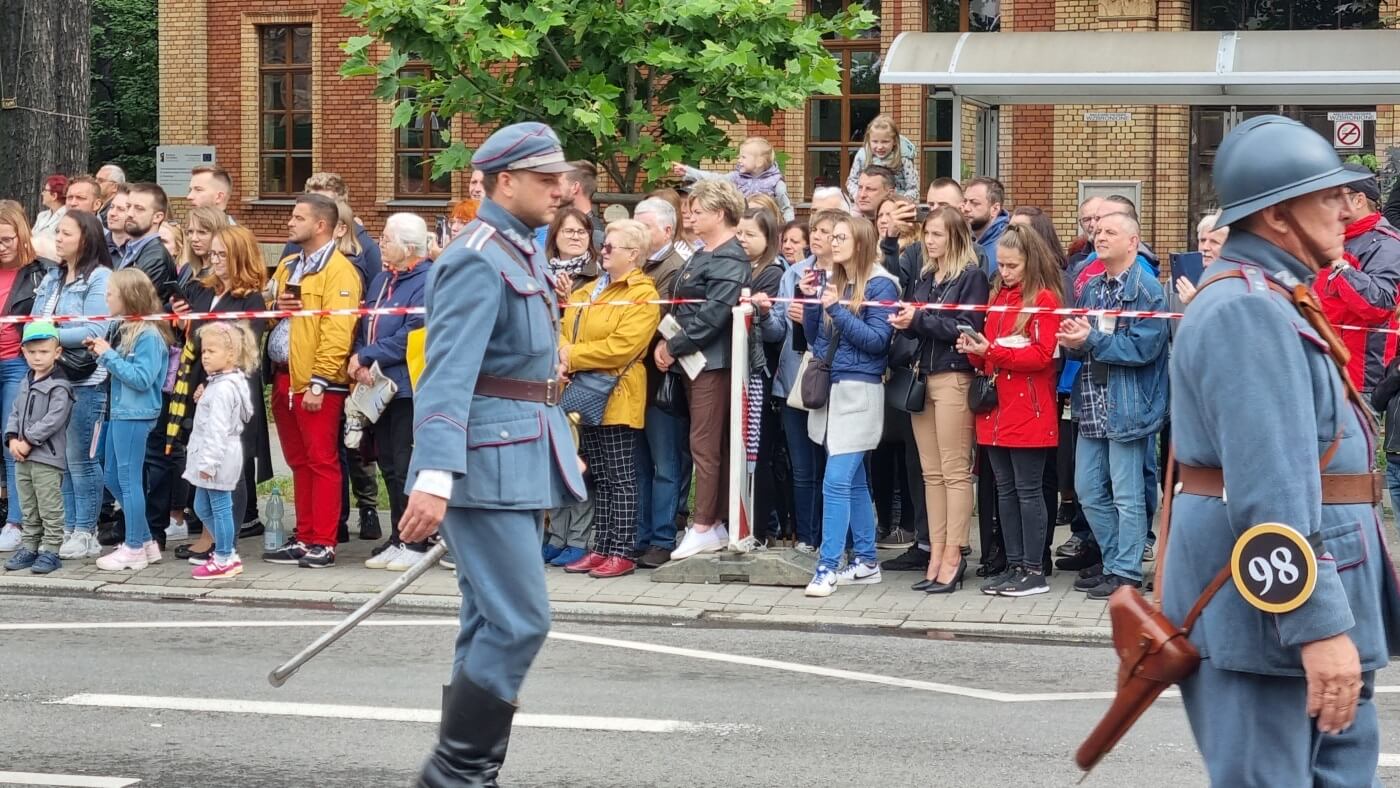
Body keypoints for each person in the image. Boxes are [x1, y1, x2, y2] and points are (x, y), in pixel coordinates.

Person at [1163, 114, 1400, 785]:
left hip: (1311, 597)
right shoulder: (1247, 308)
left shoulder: (1275, 297)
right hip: (1274, 615)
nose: (1344, 209)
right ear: (1276, 216)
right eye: (1327, 195)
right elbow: (1269, 489)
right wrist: (1318, 629)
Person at [394, 121, 584, 786]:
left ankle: (469, 778)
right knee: (520, 621)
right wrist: (435, 474)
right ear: (506, 181)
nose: (562, 189)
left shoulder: (518, 249)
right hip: (483, 461)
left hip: (518, 452)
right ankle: (451, 778)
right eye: (546, 178)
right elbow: (446, 373)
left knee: (485, 624)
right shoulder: (477, 254)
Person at [1056, 212, 1168, 599]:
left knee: (1127, 494)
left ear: (1133, 242)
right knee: (1087, 490)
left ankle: (1126, 572)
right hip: (1091, 403)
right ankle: (1115, 559)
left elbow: (1143, 349)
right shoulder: (1091, 289)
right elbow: (1087, 339)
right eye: (1097, 231)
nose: (1099, 237)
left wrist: (1089, 341)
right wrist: (1071, 339)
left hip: (1128, 407)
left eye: (1109, 232)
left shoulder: (1148, 290)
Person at [958, 225, 1063, 597]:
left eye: (1012, 265)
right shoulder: (998, 296)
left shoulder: (1045, 299)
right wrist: (973, 348)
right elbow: (991, 355)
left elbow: (1040, 356)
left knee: (1028, 490)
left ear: (1030, 262)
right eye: (1001, 264)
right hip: (996, 408)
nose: (1004, 271)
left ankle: (1034, 569)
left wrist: (991, 352)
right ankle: (1016, 564)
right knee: (1005, 490)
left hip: (1028, 408)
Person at [887, 206, 989, 589]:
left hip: (953, 377)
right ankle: (937, 549)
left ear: (956, 238)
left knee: (954, 470)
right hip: (922, 376)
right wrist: (906, 322)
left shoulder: (972, 276)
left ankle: (954, 552)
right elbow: (923, 325)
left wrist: (917, 320)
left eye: (937, 235)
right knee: (931, 473)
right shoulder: (927, 276)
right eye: (927, 234)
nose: (929, 241)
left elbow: (966, 327)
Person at [262, 194, 363, 569]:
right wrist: (274, 310)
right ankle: (304, 535)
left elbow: (338, 330)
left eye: (297, 217)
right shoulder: (289, 265)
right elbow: (268, 307)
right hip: (285, 376)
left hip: (316, 382)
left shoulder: (340, 272)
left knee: (322, 461)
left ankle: (324, 540)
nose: (289, 222)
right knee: (298, 462)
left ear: (321, 225)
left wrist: (321, 380)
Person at [800, 215, 898, 597]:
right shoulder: (837, 281)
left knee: (836, 481)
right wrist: (812, 303)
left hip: (860, 390)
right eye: (830, 236)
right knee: (853, 481)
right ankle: (867, 561)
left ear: (860, 242)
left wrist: (837, 308)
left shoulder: (881, 284)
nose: (831, 242)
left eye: (840, 237)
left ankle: (828, 565)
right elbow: (815, 339)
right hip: (833, 390)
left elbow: (878, 341)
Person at [556, 219, 661, 578]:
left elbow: (623, 347)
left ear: (633, 254)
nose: (602, 250)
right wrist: (563, 353)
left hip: (617, 393)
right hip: (585, 391)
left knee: (620, 476)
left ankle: (622, 549)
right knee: (598, 473)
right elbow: (563, 330)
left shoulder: (642, 293)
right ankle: (600, 546)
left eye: (610, 246)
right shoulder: (587, 291)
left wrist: (572, 355)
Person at [657, 179, 750, 560]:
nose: (690, 216)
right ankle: (712, 521)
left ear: (720, 213)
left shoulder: (729, 256)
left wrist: (674, 346)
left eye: (698, 210)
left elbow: (712, 314)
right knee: (703, 443)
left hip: (712, 363)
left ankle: (704, 524)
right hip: (691, 360)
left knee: (706, 445)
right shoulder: (702, 252)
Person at [167, 225, 271, 563]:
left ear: (239, 257)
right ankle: (210, 533)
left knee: (231, 468)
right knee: (204, 456)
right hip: (198, 380)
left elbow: (244, 347)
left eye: (222, 255)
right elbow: (193, 338)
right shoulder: (200, 289)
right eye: (212, 254)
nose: (214, 261)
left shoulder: (250, 298)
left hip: (230, 386)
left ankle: (222, 541)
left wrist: (213, 381)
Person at [355, 213, 432, 571]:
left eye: (386, 238)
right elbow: (365, 321)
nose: (380, 243)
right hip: (376, 387)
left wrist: (368, 355)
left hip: (406, 388)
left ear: (409, 246)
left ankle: (415, 542)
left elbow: (413, 335)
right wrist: (358, 359)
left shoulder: (427, 281)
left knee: (404, 465)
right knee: (386, 462)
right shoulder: (383, 279)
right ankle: (397, 535)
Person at [33, 211, 112, 561]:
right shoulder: (52, 278)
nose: (58, 239)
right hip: (50, 381)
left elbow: (95, 331)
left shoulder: (99, 278)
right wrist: (45, 335)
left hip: (85, 381)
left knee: (81, 458)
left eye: (65, 233)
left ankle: (86, 530)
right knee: (60, 459)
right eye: (57, 233)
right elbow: (33, 321)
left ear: (86, 238)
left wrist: (50, 336)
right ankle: (66, 526)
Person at [91, 268, 175, 571]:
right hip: (120, 411)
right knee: (113, 475)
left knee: (128, 481)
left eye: (111, 293)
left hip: (135, 414)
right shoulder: (125, 328)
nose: (106, 298)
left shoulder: (149, 334)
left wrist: (108, 356)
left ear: (128, 297)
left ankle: (135, 547)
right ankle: (145, 539)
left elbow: (142, 379)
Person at [775, 210, 844, 553]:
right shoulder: (794, 274)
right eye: (814, 230)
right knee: (802, 467)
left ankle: (836, 540)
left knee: (833, 465)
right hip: (795, 377)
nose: (817, 237)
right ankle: (806, 536)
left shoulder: (847, 276)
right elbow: (778, 327)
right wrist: (765, 312)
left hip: (833, 379)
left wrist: (815, 316)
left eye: (826, 231)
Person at [629, 197, 690, 568]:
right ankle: (639, 533)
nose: (638, 233)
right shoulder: (630, 265)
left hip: (661, 380)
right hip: (632, 380)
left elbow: (660, 319)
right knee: (637, 463)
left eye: (645, 227)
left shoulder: (675, 268)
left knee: (665, 462)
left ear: (667, 231)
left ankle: (663, 537)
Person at [1311, 164, 1400, 394]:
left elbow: (1379, 305)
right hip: (1320, 371)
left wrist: (1341, 266)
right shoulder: (1330, 238)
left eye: (1333, 197)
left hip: (1359, 384)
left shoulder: (1386, 244)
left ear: (1359, 200)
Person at [185, 321, 258, 580]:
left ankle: (225, 555)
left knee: (219, 505)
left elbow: (217, 430)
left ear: (231, 355)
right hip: (213, 455)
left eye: (211, 351)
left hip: (217, 457)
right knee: (201, 506)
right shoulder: (221, 383)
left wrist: (208, 464)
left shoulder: (224, 388)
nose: (204, 356)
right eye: (204, 351)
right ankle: (225, 550)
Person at [1, 321, 73, 574]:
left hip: (46, 457)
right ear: (23, 352)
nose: (37, 357)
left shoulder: (60, 385)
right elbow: (15, 410)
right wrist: (11, 438)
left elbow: (54, 418)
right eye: (32, 352)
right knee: (28, 504)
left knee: (49, 505)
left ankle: (51, 550)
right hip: (22, 456)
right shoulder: (25, 380)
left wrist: (28, 440)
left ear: (57, 352)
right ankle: (30, 546)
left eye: (43, 351)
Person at [0, 203, 52, 553]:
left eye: (6, 239)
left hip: (16, 363)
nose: (1, 246)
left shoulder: (37, 272)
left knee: (12, 440)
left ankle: (17, 521)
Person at [736, 206, 788, 545]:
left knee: (761, 454)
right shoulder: (739, 267)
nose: (741, 239)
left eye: (750, 234)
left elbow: (772, 331)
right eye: (738, 232)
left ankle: (763, 527)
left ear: (768, 239)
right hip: (738, 372)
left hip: (760, 374)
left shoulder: (772, 273)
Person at [673, 137, 795, 221]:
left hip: (766, 228)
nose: (739, 160)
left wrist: (789, 228)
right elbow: (714, 178)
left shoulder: (776, 183)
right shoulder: (736, 178)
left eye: (743, 157)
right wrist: (688, 171)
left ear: (758, 162)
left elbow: (786, 208)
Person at [116, 183, 179, 303]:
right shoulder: (132, 249)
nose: (129, 213)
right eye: (128, 206)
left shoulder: (156, 258)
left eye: (139, 209)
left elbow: (135, 305)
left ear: (157, 217)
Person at [845, 114, 919, 201]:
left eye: (885, 142)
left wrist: (901, 200)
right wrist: (858, 196)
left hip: (895, 204)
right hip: (868, 202)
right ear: (869, 140)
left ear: (894, 141)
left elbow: (913, 188)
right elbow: (852, 181)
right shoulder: (862, 156)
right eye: (875, 142)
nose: (879, 147)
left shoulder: (903, 158)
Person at [1172, 212, 1228, 307]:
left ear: (1227, 246)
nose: (1205, 247)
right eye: (1202, 240)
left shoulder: (1234, 284)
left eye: (1214, 242)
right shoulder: (1179, 281)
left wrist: (1195, 304)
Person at [545, 207, 602, 300]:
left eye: (581, 232)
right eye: (569, 231)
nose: (576, 237)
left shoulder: (600, 278)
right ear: (554, 235)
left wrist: (568, 302)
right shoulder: (540, 272)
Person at [963, 176, 1010, 275]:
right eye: (965, 201)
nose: (966, 208)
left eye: (974, 203)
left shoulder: (1008, 244)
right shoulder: (963, 240)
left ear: (995, 209)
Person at [1067, 196, 1104, 268]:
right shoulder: (1075, 261)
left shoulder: (1125, 255)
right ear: (1081, 225)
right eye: (1087, 219)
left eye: (1098, 218)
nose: (1092, 224)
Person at [32, 175, 68, 249]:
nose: (42, 193)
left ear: (54, 196)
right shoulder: (42, 215)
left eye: (45, 190)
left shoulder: (67, 217)